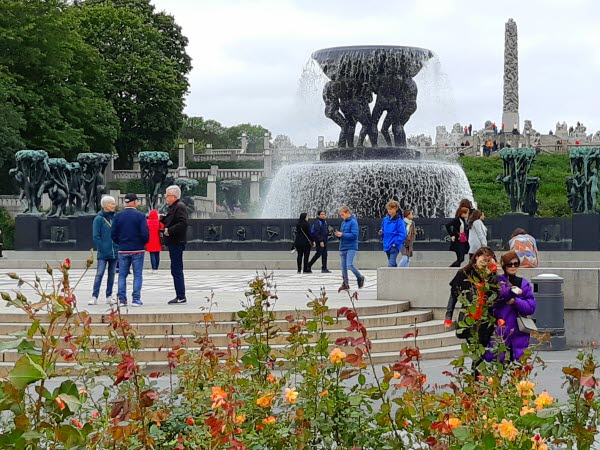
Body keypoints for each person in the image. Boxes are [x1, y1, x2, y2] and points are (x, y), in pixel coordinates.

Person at [484, 250, 536, 362]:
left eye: (516, 264)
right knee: (499, 361)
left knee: (519, 363)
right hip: (502, 328)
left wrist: (516, 302)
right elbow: (502, 294)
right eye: (510, 264)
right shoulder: (498, 281)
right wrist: (511, 292)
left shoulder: (523, 283)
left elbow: (531, 307)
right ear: (504, 266)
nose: (513, 267)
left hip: (519, 330)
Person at [111, 194, 149, 307]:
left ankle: (122, 300)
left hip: (123, 249)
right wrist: (143, 242)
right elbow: (145, 233)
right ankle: (136, 299)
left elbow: (113, 234)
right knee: (137, 275)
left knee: (122, 275)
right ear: (135, 202)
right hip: (137, 249)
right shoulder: (141, 216)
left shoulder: (118, 216)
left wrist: (120, 242)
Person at [161, 185, 189, 305]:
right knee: (175, 269)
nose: (166, 198)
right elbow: (172, 220)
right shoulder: (175, 207)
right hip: (174, 242)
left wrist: (169, 231)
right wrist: (162, 219)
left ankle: (181, 296)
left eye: (167, 196)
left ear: (173, 196)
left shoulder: (179, 206)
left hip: (177, 241)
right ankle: (180, 295)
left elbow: (183, 223)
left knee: (177, 269)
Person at [89, 195, 118, 306]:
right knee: (99, 274)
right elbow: (96, 236)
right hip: (103, 252)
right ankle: (94, 296)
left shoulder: (115, 218)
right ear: (105, 205)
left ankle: (109, 296)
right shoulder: (99, 219)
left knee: (112, 274)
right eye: (111, 203)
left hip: (114, 251)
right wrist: (102, 248)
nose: (114, 205)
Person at [335, 206, 365, 292]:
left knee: (349, 264)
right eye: (341, 215)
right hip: (343, 246)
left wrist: (342, 234)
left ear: (348, 212)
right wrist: (339, 235)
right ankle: (345, 283)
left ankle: (360, 277)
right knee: (343, 267)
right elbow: (343, 234)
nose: (342, 216)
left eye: (342, 214)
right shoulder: (343, 223)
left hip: (351, 247)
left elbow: (354, 235)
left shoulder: (353, 222)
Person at [378, 200, 407, 267]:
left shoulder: (399, 221)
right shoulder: (385, 219)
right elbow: (383, 230)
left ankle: (389, 273)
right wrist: (381, 233)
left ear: (396, 209)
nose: (389, 211)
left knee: (391, 263)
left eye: (391, 209)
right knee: (392, 263)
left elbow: (403, 234)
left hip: (394, 245)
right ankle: (396, 272)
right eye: (388, 209)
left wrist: (396, 243)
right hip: (387, 244)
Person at [146, 209, 164, 273]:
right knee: (157, 254)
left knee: (152, 254)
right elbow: (163, 228)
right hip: (158, 240)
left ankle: (153, 268)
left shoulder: (147, 222)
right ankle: (156, 268)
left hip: (150, 240)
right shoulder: (159, 223)